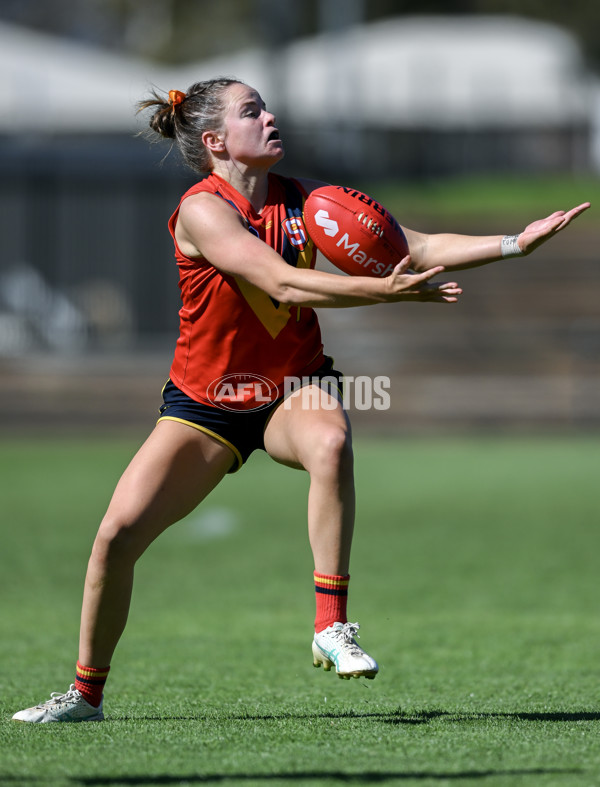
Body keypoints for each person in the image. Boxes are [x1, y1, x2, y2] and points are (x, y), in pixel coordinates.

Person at [12, 77, 589, 723]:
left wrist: (514, 243)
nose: (270, 117)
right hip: (208, 403)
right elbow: (281, 280)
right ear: (215, 140)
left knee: (331, 441)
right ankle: (85, 694)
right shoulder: (203, 210)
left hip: (294, 386)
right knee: (115, 537)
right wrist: (386, 294)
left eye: (266, 107)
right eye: (251, 112)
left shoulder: (309, 200)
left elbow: (416, 246)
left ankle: (330, 625)